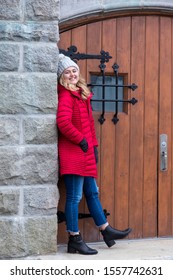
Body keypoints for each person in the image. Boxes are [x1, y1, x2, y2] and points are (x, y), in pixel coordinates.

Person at [56, 54, 132, 255]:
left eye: (74, 70)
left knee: (92, 192)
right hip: (74, 153)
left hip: (85, 152)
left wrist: (94, 146)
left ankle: (105, 230)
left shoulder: (82, 94)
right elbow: (63, 123)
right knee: (74, 196)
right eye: (67, 72)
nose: (72, 74)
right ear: (61, 76)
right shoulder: (65, 95)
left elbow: (89, 125)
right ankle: (74, 238)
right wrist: (81, 140)